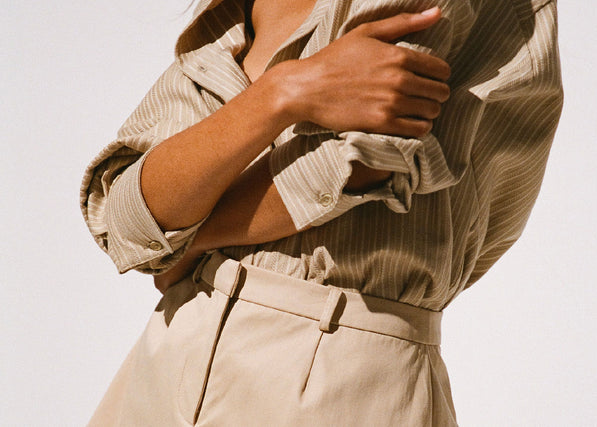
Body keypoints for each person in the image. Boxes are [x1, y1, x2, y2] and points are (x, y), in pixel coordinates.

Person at [80, 0, 563, 425]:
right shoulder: (229, 17)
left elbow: (363, 161)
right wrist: (282, 92)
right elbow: (124, 221)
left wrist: (187, 238)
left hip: (341, 374)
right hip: (166, 358)